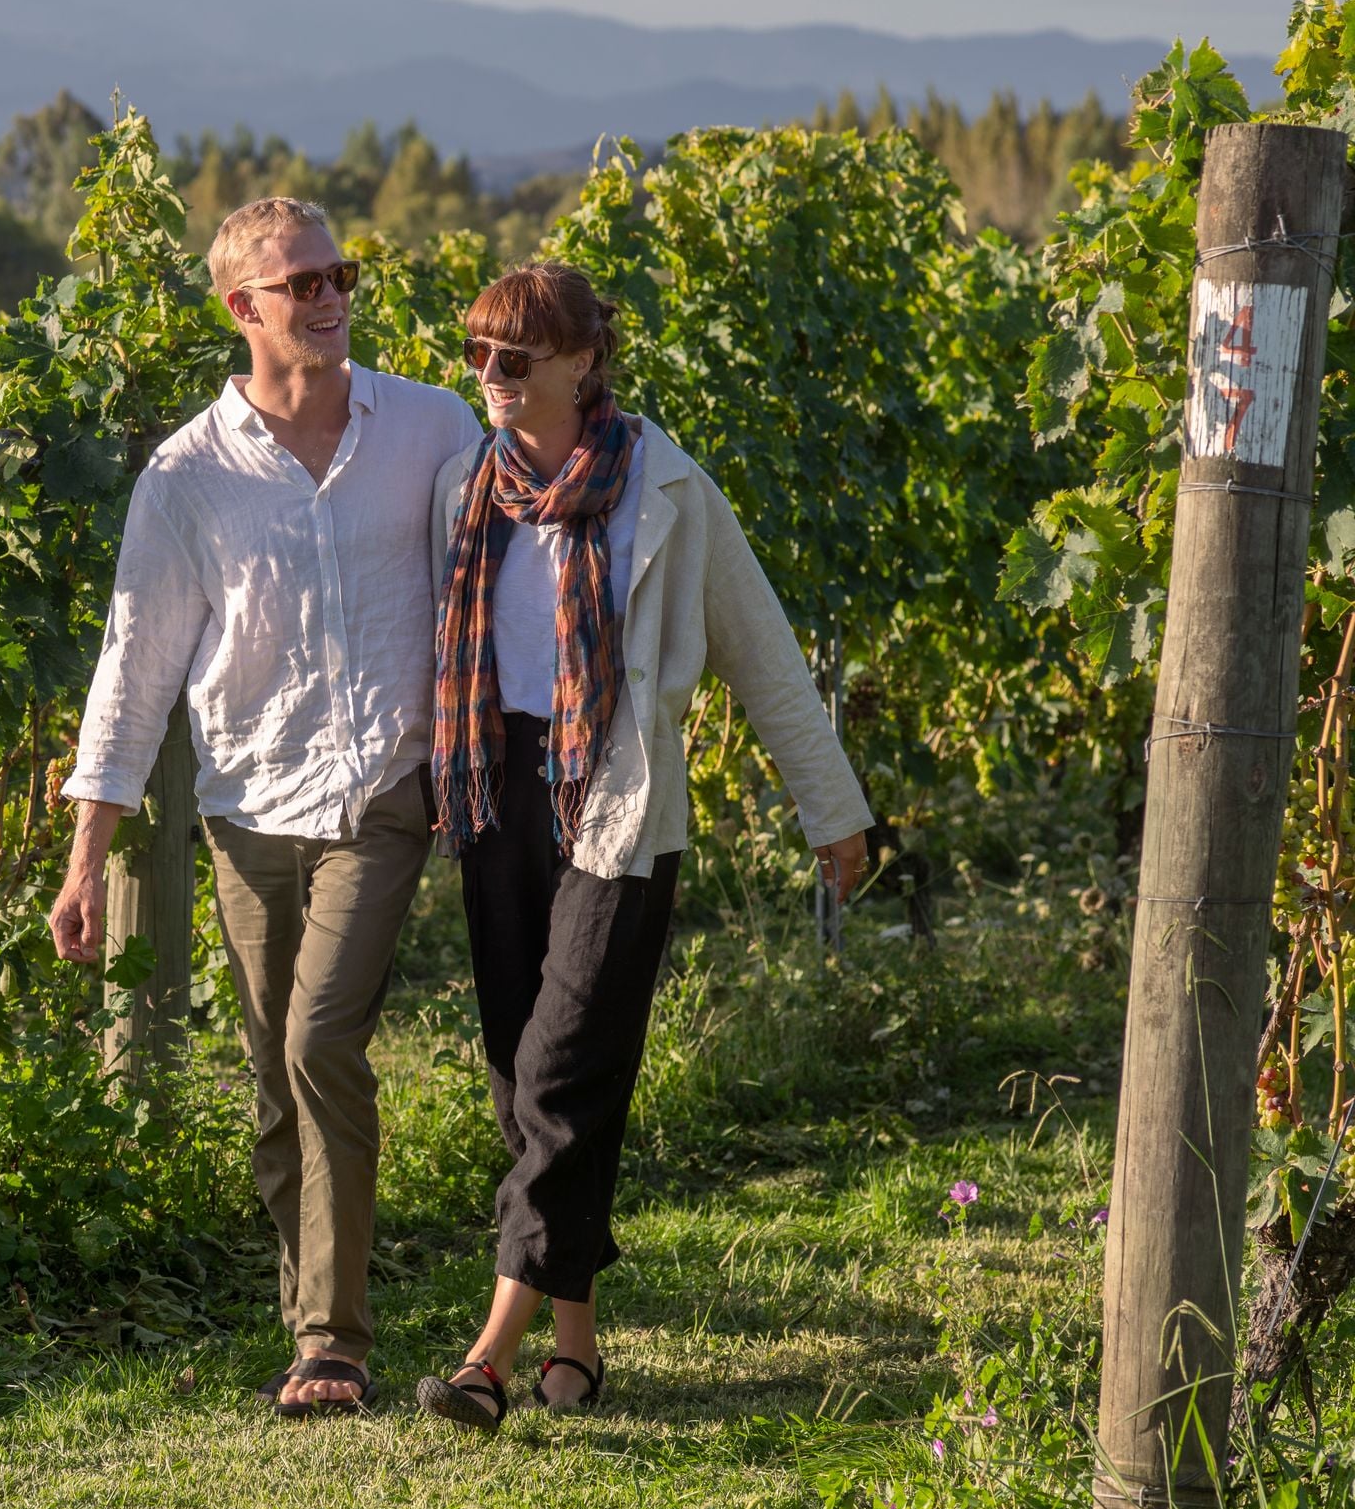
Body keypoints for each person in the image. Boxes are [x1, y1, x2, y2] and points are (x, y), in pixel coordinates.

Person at [411, 263, 872, 1429]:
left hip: (612, 798)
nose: (489, 379)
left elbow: (762, 655)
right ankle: (578, 1349)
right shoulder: (468, 485)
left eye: (513, 359)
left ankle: (489, 1356)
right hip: (494, 790)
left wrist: (835, 812)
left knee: (563, 1069)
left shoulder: (664, 490)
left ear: (580, 362)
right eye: (475, 356)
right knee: (527, 1078)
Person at [50, 197, 486, 1418]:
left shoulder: (432, 428)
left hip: (384, 789)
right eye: (299, 282)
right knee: (270, 1083)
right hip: (246, 809)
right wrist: (86, 860)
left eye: (337, 273)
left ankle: (335, 1339)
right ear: (242, 307)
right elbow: (134, 671)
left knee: (316, 1043)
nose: (330, 294)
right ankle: (312, 1326)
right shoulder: (187, 476)